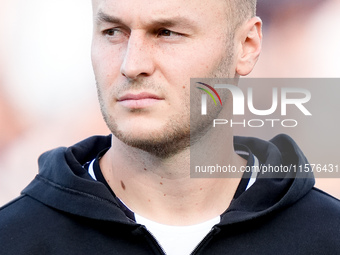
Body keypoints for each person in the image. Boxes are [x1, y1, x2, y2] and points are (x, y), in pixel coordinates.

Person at [0, 0, 339, 254]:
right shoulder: (15, 240)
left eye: (167, 33)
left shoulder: (326, 236)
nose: (132, 64)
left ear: (246, 47)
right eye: (113, 32)